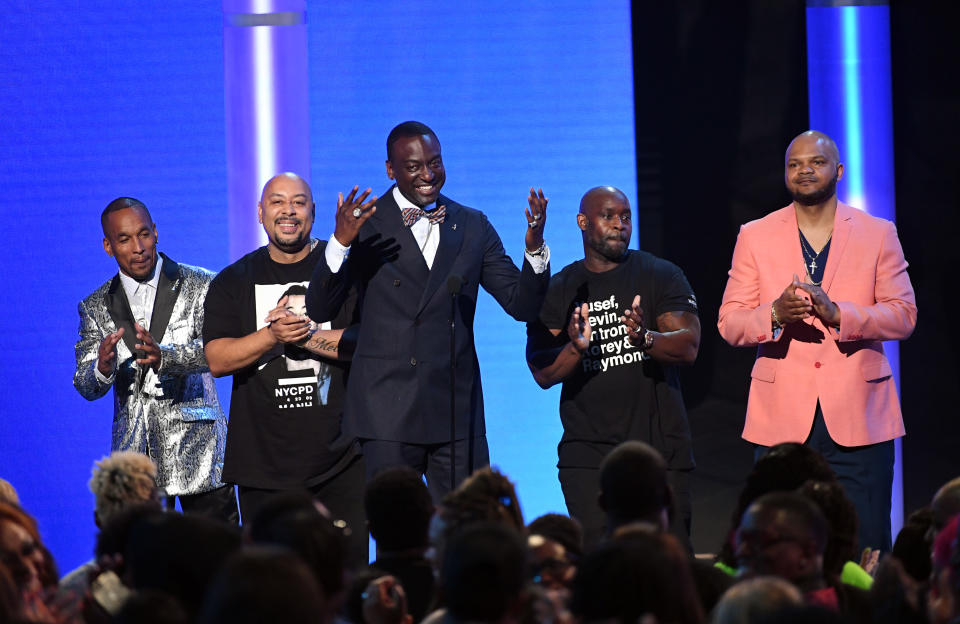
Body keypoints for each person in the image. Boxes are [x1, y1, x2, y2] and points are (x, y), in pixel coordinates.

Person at [306, 120, 550, 499]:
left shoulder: (471, 224)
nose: (428, 175)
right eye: (414, 167)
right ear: (390, 170)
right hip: (386, 411)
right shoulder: (364, 225)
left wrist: (534, 248)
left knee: (469, 532)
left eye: (435, 163)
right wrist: (339, 242)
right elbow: (320, 305)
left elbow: (522, 304)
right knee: (398, 535)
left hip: (454, 408)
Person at [718, 130, 917, 552]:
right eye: (794, 164)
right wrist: (774, 314)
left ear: (839, 171)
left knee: (866, 545)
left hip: (861, 417)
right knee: (779, 544)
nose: (804, 170)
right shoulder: (755, 234)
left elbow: (903, 314)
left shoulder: (877, 233)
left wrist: (839, 314)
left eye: (817, 162)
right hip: (782, 421)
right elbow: (730, 322)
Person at [202, 172, 370, 565]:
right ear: (261, 213)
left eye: (298, 202)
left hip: (343, 461)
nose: (288, 211)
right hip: (264, 467)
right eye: (277, 202)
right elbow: (217, 360)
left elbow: (370, 341)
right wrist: (273, 336)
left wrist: (306, 337)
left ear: (313, 212)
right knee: (274, 593)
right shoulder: (232, 281)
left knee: (346, 584)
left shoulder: (347, 269)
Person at [525, 186, 700, 550]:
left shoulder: (660, 274)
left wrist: (646, 338)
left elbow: (689, 345)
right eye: (608, 216)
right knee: (601, 569)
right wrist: (575, 347)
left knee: (670, 566)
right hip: (589, 457)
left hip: (660, 451)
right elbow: (543, 373)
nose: (620, 225)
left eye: (625, 216)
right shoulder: (562, 289)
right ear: (583, 222)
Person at [74, 197, 237, 522]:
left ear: (156, 232)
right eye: (124, 239)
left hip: (198, 453)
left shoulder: (201, 284)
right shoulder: (95, 306)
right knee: (140, 565)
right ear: (108, 245)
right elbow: (85, 384)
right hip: (135, 463)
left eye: (144, 234)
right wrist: (102, 368)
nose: (138, 247)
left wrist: (169, 358)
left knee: (217, 561)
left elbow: (221, 350)